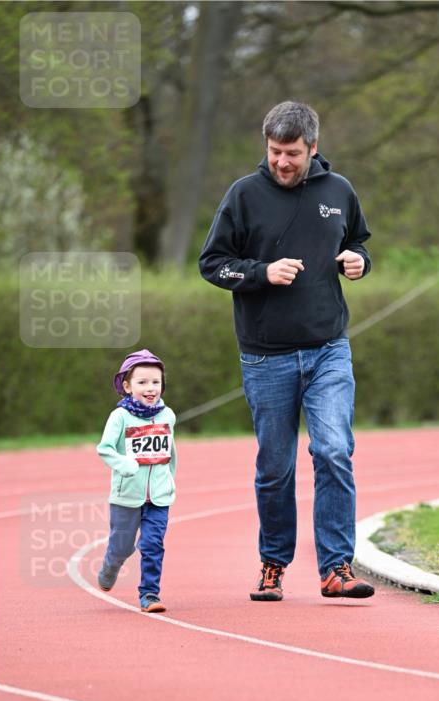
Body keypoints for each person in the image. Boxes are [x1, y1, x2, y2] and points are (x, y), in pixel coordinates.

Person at [199, 101, 374, 601]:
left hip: (328, 349)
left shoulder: (339, 191)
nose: (281, 162)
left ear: (313, 148)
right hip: (265, 355)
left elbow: (359, 243)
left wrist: (358, 262)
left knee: (334, 451)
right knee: (275, 467)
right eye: (275, 152)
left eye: (292, 153)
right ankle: (273, 563)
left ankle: (337, 567)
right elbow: (212, 264)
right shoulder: (243, 195)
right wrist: (261, 273)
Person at [96, 349, 176, 613]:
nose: (150, 388)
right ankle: (111, 564)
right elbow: (105, 448)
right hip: (126, 495)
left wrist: (170, 482)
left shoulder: (168, 416)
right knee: (122, 546)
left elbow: (170, 453)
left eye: (156, 382)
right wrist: (125, 465)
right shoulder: (119, 417)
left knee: (154, 544)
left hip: (159, 497)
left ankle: (150, 594)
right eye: (142, 382)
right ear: (127, 386)